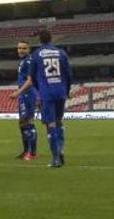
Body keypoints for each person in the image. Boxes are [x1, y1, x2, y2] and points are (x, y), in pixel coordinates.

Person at [14, 30, 72, 168]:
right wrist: (67, 91)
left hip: (47, 94)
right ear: (51, 39)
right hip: (60, 91)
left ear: (39, 41)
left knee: (50, 124)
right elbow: (69, 74)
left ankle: (56, 158)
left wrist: (36, 94)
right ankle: (61, 148)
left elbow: (32, 79)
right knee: (59, 121)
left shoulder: (36, 55)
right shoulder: (61, 53)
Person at [13, 40, 38, 161]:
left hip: (28, 95)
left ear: (29, 49)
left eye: (24, 48)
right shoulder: (23, 61)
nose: (21, 50)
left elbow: (30, 80)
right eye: (19, 48)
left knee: (28, 123)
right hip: (24, 95)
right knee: (23, 123)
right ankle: (26, 150)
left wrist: (18, 92)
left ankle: (32, 153)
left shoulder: (28, 61)